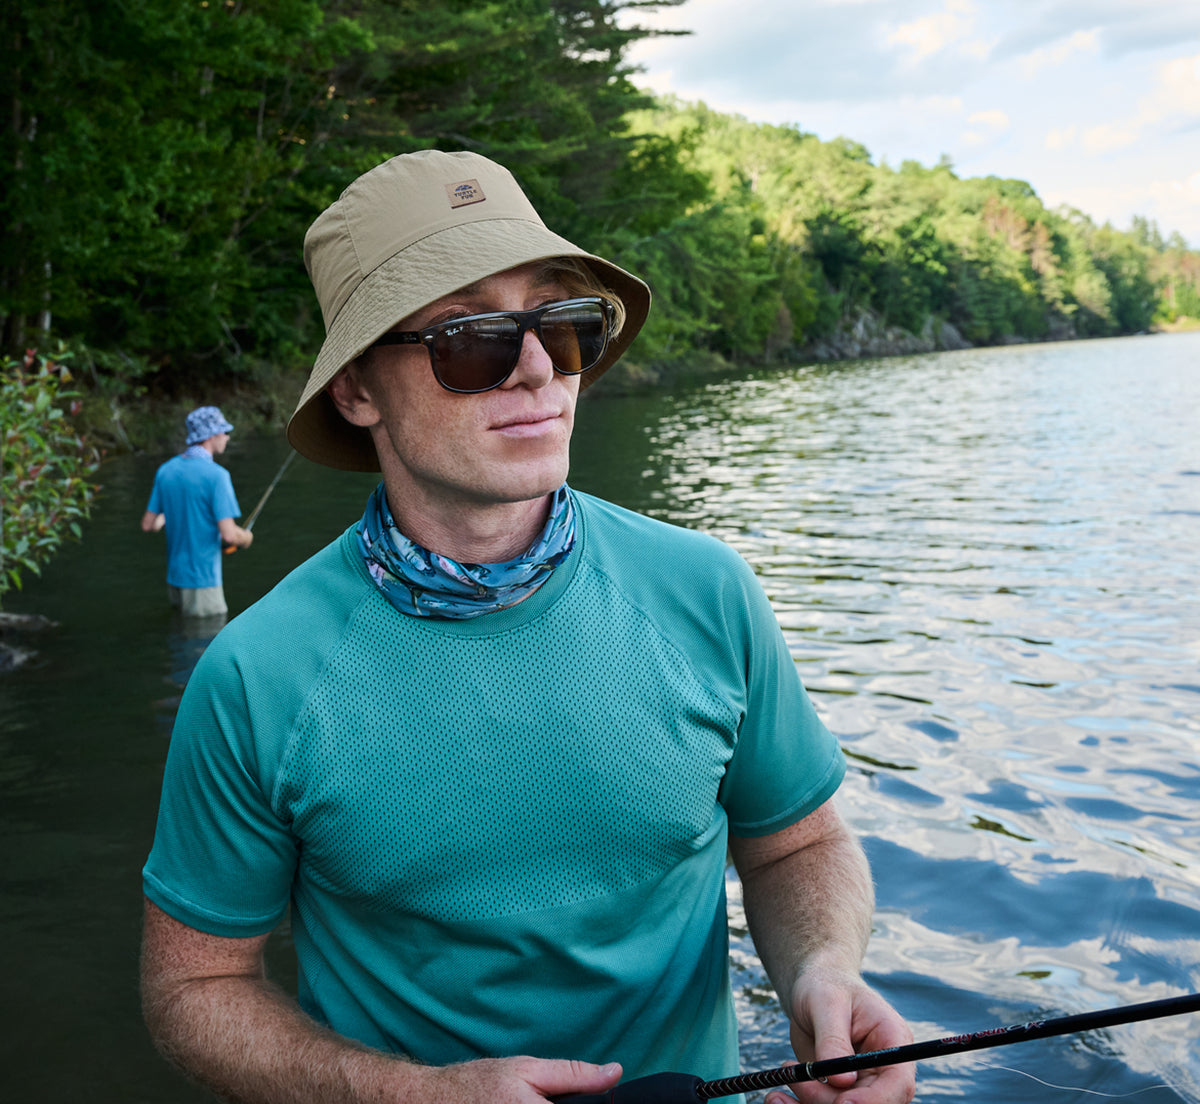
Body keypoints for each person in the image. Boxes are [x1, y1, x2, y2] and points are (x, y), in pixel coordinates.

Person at [140, 149, 915, 1104]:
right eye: (472, 339)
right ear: (357, 391)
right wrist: (414, 1096)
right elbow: (194, 986)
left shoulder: (707, 592)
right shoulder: (256, 677)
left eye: (566, 323)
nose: (541, 368)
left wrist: (822, 973)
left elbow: (796, 844)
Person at [141, 405, 253, 618]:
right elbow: (229, 535)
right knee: (206, 643)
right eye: (225, 432)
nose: (227, 437)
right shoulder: (217, 476)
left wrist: (172, 514)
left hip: (175, 580)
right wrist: (246, 538)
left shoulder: (166, 470)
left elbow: (149, 524)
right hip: (203, 583)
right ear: (212, 435)